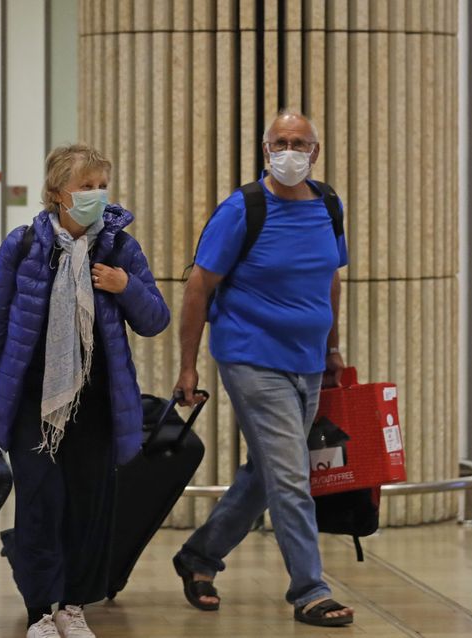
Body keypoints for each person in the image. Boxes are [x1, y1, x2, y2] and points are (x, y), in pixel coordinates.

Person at [0, 144, 170, 638]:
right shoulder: (22, 246)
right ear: (57, 194)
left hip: (96, 401)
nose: (97, 196)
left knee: (88, 503)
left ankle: (72, 605)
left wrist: (125, 287)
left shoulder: (119, 249)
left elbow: (155, 319)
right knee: (40, 501)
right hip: (36, 398)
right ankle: (40, 610)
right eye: (86, 187)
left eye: (102, 185)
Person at [173, 111, 355, 627]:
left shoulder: (328, 204)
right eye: (280, 142)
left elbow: (331, 279)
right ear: (265, 149)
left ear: (315, 152)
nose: (290, 151)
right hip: (252, 356)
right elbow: (199, 287)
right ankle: (309, 589)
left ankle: (199, 557)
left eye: (300, 143)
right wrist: (188, 366)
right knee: (293, 476)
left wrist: (333, 350)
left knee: (266, 473)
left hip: (307, 360)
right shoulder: (243, 209)